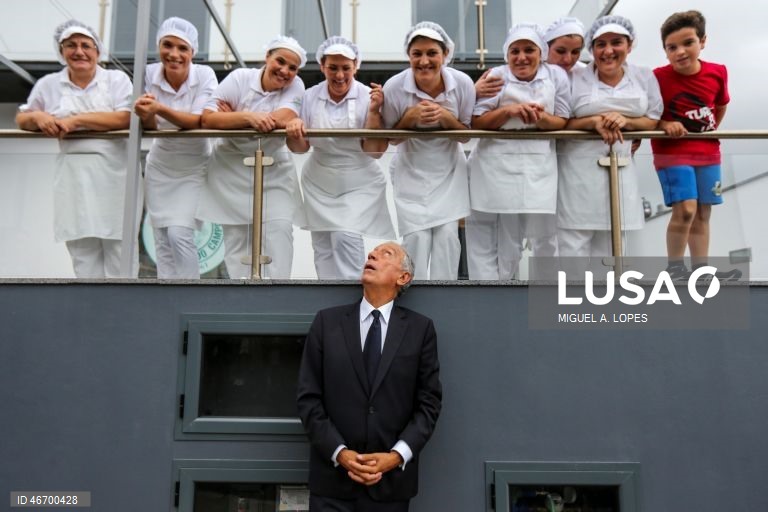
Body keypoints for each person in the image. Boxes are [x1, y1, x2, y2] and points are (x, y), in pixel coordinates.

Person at [297, 241, 441, 511]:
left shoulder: (421, 330)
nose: (372, 254)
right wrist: (340, 454)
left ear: (403, 277)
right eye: (372, 252)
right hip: (332, 485)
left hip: (391, 487)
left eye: (386, 253)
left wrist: (396, 456)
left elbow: (429, 404)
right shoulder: (326, 323)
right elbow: (308, 398)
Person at [16, 20, 135, 278]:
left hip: (115, 174)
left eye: (85, 46)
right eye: (71, 45)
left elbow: (125, 118)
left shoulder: (116, 80)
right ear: (61, 51)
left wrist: (75, 120)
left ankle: (125, 312)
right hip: (73, 176)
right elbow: (22, 118)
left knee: (120, 251)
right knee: (83, 253)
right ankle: (92, 312)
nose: (79, 51)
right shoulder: (49, 84)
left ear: (97, 52)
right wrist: (38, 119)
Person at [466, 24, 570, 280]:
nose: (521, 57)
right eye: (515, 51)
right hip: (494, 168)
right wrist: (509, 112)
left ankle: (547, 297)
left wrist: (539, 118)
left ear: (541, 53)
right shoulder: (496, 76)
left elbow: (563, 119)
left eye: (528, 50)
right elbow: (477, 121)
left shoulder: (556, 76)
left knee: (546, 237)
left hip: (539, 169)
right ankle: (497, 295)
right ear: (506, 55)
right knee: (504, 241)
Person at [196, 36, 306, 279]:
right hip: (229, 171)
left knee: (279, 232)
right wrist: (248, 118)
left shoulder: (296, 85)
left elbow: (283, 116)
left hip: (273, 173)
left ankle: (278, 298)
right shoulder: (239, 78)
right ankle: (242, 303)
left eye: (292, 67)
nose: (285, 71)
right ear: (267, 57)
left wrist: (233, 116)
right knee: (236, 244)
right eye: (280, 61)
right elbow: (208, 119)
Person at [286, 36, 395, 280]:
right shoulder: (309, 96)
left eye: (346, 68)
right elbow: (300, 149)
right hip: (319, 182)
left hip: (359, 182)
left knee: (345, 237)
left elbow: (375, 151)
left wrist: (375, 112)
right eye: (333, 68)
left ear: (356, 67)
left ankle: (352, 303)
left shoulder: (370, 97)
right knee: (323, 247)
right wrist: (293, 130)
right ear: (322, 66)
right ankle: (329, 304)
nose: (339, 75)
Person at [557, 15, 662, 261]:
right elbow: (561, 121)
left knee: (614, 254)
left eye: (616, 42)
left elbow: (653, 119)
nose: (608, 51)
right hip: (576, 175)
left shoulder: (644, 76)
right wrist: (594, 121)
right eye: (600, 45)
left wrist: (626, 121)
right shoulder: (573, 78)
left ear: (630, 44)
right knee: (572, 253)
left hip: (622, 172)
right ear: (591, 49)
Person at [381, 21, 475, 280]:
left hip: (449, 174)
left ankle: (444, 304)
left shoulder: (463, 83)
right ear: (408, 56)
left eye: (431, 53)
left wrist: (446, 118)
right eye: (417, 54)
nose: (424, 61)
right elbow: (390, 138)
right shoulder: (394, 87)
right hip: (410, 174)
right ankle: (415, 307)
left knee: (447, 238)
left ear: (445, 54)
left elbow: (467, 135)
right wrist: (409, 118)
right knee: (416, 240)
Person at [133, 17, 217, 279]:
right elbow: (151, 127)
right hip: (161, 164)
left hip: (194, 165)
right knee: (161, 238)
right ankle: (166, 295)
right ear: (159, 46)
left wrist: (158, 108)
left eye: (182, 48)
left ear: (193, 52)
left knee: (179, 233)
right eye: (167, 45)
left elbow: (198, 121)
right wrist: (145, 113)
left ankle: (190, 293)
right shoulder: (147, 73)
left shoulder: (204, 75)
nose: (174, 54)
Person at [650, 10, 732, 279]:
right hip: (671, 152)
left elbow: (720, 106)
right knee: (685, 208)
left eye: (688, 43)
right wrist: (664, 126)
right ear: (665, 51)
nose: (680, 52)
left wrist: (708, 132)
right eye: (672, 47)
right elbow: (648, 115)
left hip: (708, 152)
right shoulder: (657, 77)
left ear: (703, 41)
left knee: (702, 213)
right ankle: (674, 268)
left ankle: (701, 271)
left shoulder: (717, 72)